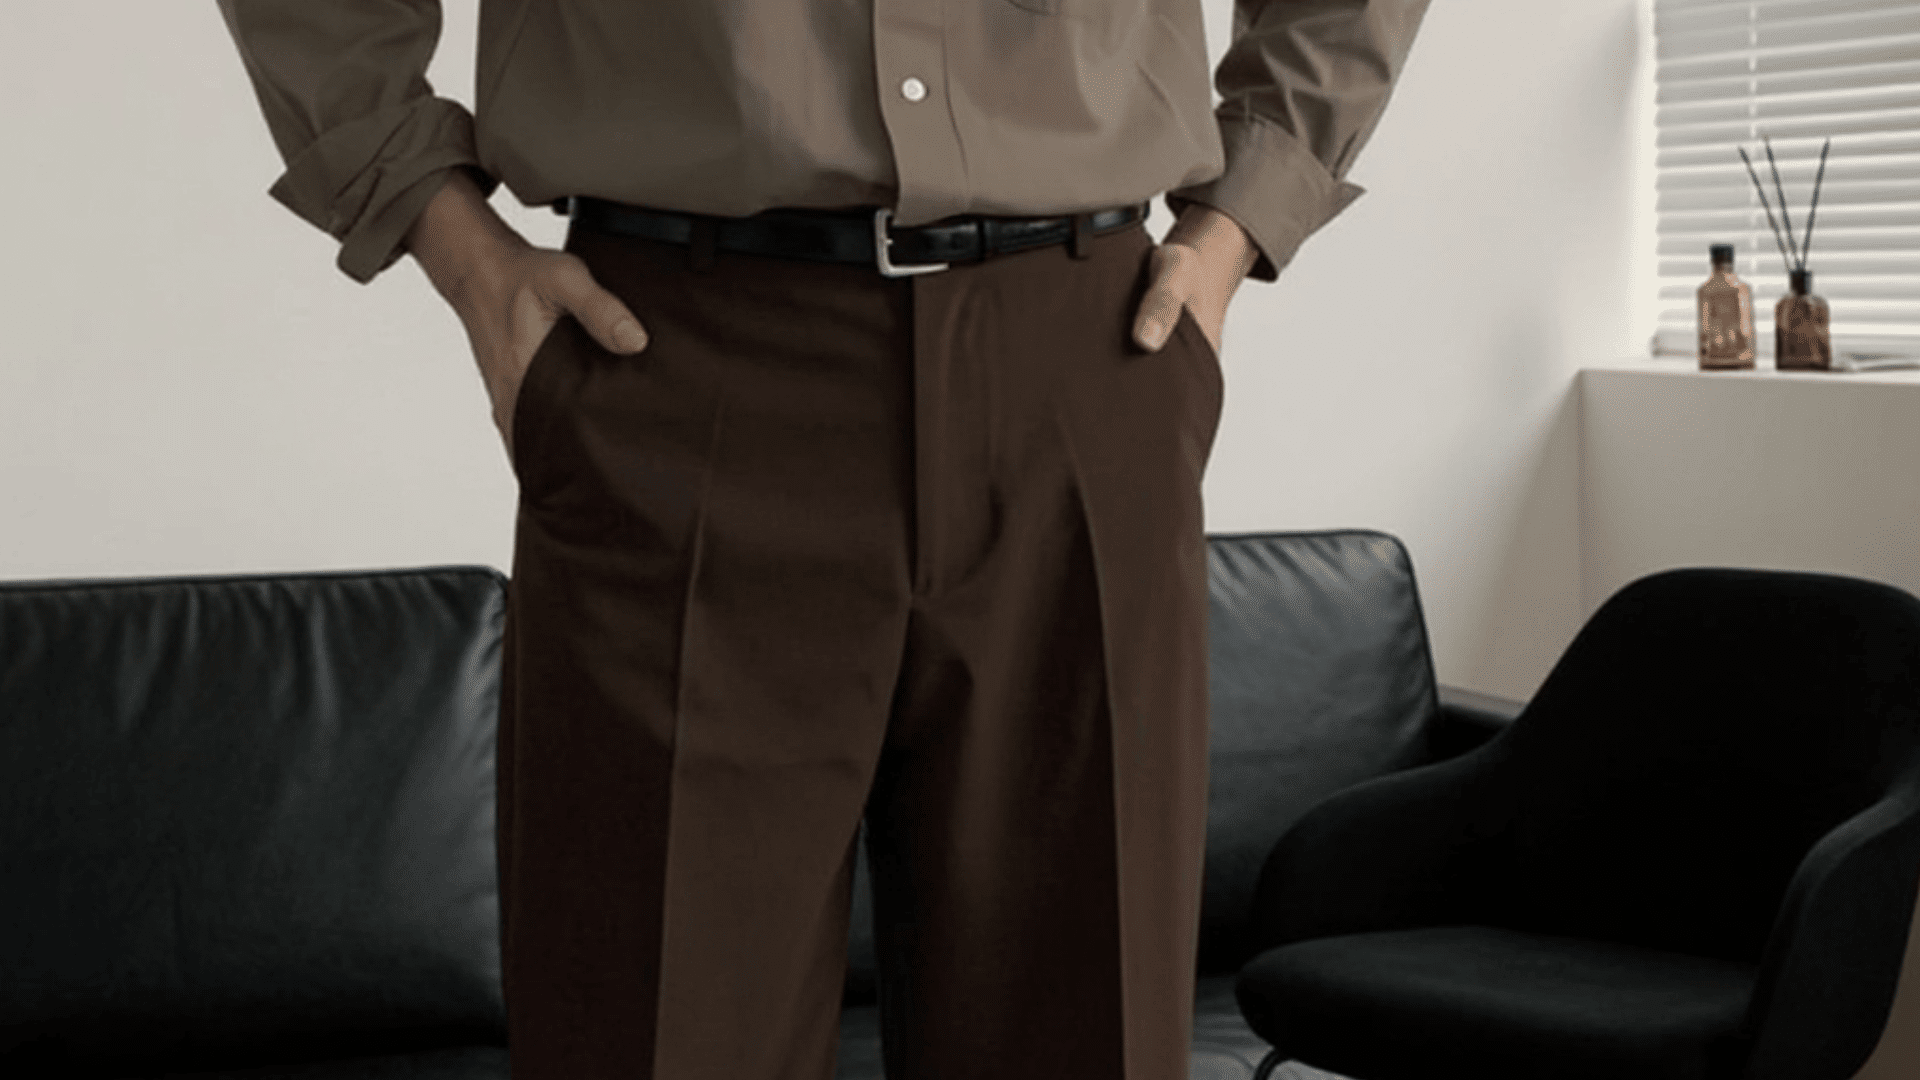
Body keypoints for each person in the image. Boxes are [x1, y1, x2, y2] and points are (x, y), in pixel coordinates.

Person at [216, 3, 1431, 1078]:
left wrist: (1240, 220)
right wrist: (465, 255)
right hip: (675, 360)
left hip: (1083, 352)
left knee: (1082, 1029)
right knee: (663, 1031)